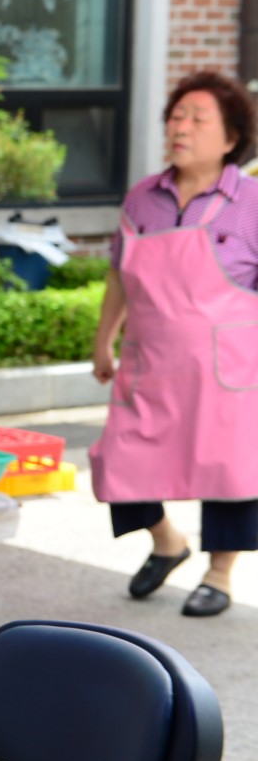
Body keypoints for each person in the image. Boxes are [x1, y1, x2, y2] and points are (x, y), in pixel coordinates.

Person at [91, 71, 258, 618]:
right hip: (151, 362)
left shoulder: (250, 202)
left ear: (230, 137)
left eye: (197, 118)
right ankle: (167, 541)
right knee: (117, 460)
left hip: (228, 367)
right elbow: (119, 273)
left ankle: (220, 573)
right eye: (176, 116)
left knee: (229, 472)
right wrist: (103, 340)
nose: (180, 127)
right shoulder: (143, 197)